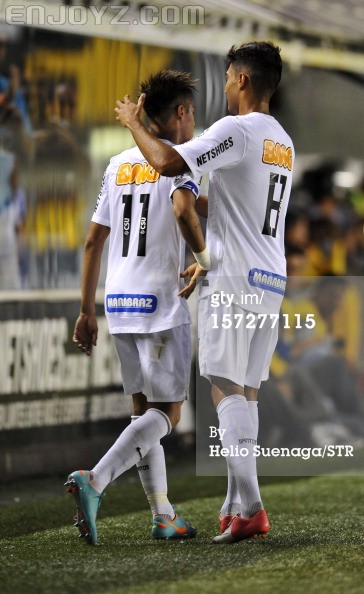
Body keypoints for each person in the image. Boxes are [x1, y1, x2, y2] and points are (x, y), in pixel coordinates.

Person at [115, 41, 294, 543]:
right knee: (247, 391)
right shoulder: (282, 139)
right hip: (270, 278)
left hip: (234, 279)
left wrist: (133, 122)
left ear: (239, 80)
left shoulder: (234, 130)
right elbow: (241, 207)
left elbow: (169, 163)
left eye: (229, 75)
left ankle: (253, 506)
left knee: (220, 384)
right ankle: (238, 506)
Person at [66, 71, 208, 545]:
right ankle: (97, 479)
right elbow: (183, 211)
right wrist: (203, 258)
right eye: (192, 111)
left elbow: (93, 241)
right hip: (161, 301)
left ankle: (163, 513)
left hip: (120, 300)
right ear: (181, 113)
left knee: (142, 413)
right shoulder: (178, 161)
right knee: (168, 415)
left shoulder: (117, 164)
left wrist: (87, 310)